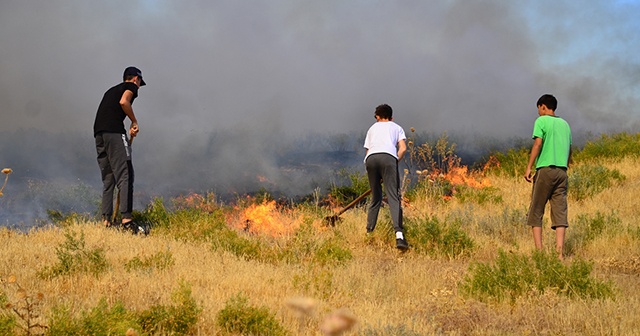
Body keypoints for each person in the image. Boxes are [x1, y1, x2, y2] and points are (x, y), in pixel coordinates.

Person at [93, 66, 145, 232]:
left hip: (99, 134)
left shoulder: (110, 90)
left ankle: (106, 221)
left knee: (109, 178)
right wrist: (134, 121)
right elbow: (124, 101)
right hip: (115, 133)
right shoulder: (130, 87)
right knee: (126, 174)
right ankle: (127, 221)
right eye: (139, 83)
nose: (138, 87)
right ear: (136, 79)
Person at [524, 94, 572, 259]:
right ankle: (559, 254)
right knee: (560, 212)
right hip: (562, 171)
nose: (538, 112)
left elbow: (538, 143)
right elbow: (570, 149)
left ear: (543, 106)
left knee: (536, 210)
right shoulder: (565, 124)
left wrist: (529, 167)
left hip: (545, 170)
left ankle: (540, 254)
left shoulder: (541, 121)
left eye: (538, 108)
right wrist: (565, 165)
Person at [363, 104, 409, 251]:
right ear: (391, 117)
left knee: (376, 198)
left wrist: (374, 172)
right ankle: (399, 237)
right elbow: (403, 148)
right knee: (393, 197)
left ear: (377, 116)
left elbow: (368, 152)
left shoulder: (372, 128)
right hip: (388, 158)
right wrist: (393, 163)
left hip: (371, 160)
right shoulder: (396, 127)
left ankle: (369, 233)